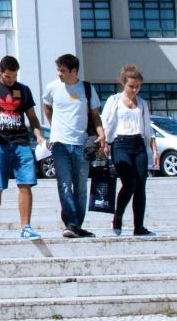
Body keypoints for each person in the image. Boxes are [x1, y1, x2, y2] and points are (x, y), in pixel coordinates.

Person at [0, 55, 47, 240]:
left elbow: (32, 117)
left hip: (21, 142)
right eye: (8, 77)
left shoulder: (23, 90)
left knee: (25, 184)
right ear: (0, 72)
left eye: (14, 77)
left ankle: (26, 227)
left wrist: (38, 134)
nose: (11, 80)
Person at [42, 53, 105, 238]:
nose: (59, 74)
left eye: (62, 70)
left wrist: (101, 134)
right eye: (58, 70)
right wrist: (54, 126)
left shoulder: (86, 88)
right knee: (63, 184)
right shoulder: (52, 87)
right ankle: (70, 223)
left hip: (81, 144)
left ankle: (76, 225)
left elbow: (95, 115)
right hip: (60, 143)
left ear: (74, 71)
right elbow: (47, 107)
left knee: (81, 187)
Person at [100, 64, 157, 236]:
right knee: (129, 183)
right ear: (123, 84)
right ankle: (118, 217)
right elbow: (105, 121)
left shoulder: (142, 103)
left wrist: (154, 149)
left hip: (138, 144)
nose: (134, 90)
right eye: (131, 86)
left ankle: (138, 226)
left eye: (137, 86)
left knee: (140, 186)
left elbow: (148, 127)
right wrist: (104, 143)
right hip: (120, 144)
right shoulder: (114, 100)